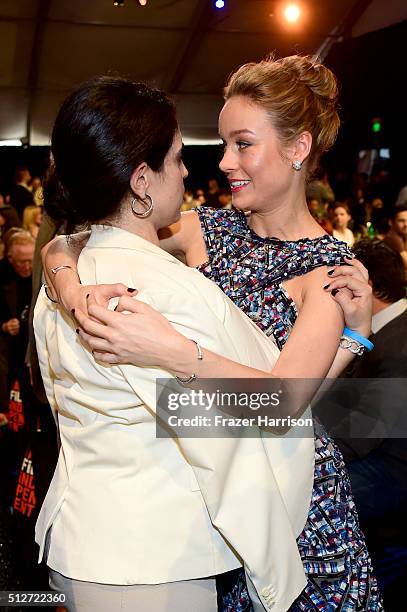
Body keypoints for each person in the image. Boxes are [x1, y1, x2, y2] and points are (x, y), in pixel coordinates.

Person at [43, 57, 381, 610]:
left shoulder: (328, 272)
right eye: (223, 144)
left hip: (293, 506)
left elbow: (282, 406)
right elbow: (69, 242)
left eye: (242, 144)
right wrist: (74, 293)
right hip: (203, 499)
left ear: (297, 149)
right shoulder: (200, 227)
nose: (223, 162)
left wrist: (171, 351)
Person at [382, 204, 407, 273]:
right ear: (391, 222)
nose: (406, 224)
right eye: (401, 221)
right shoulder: (392, 238)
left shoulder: (402, 236)